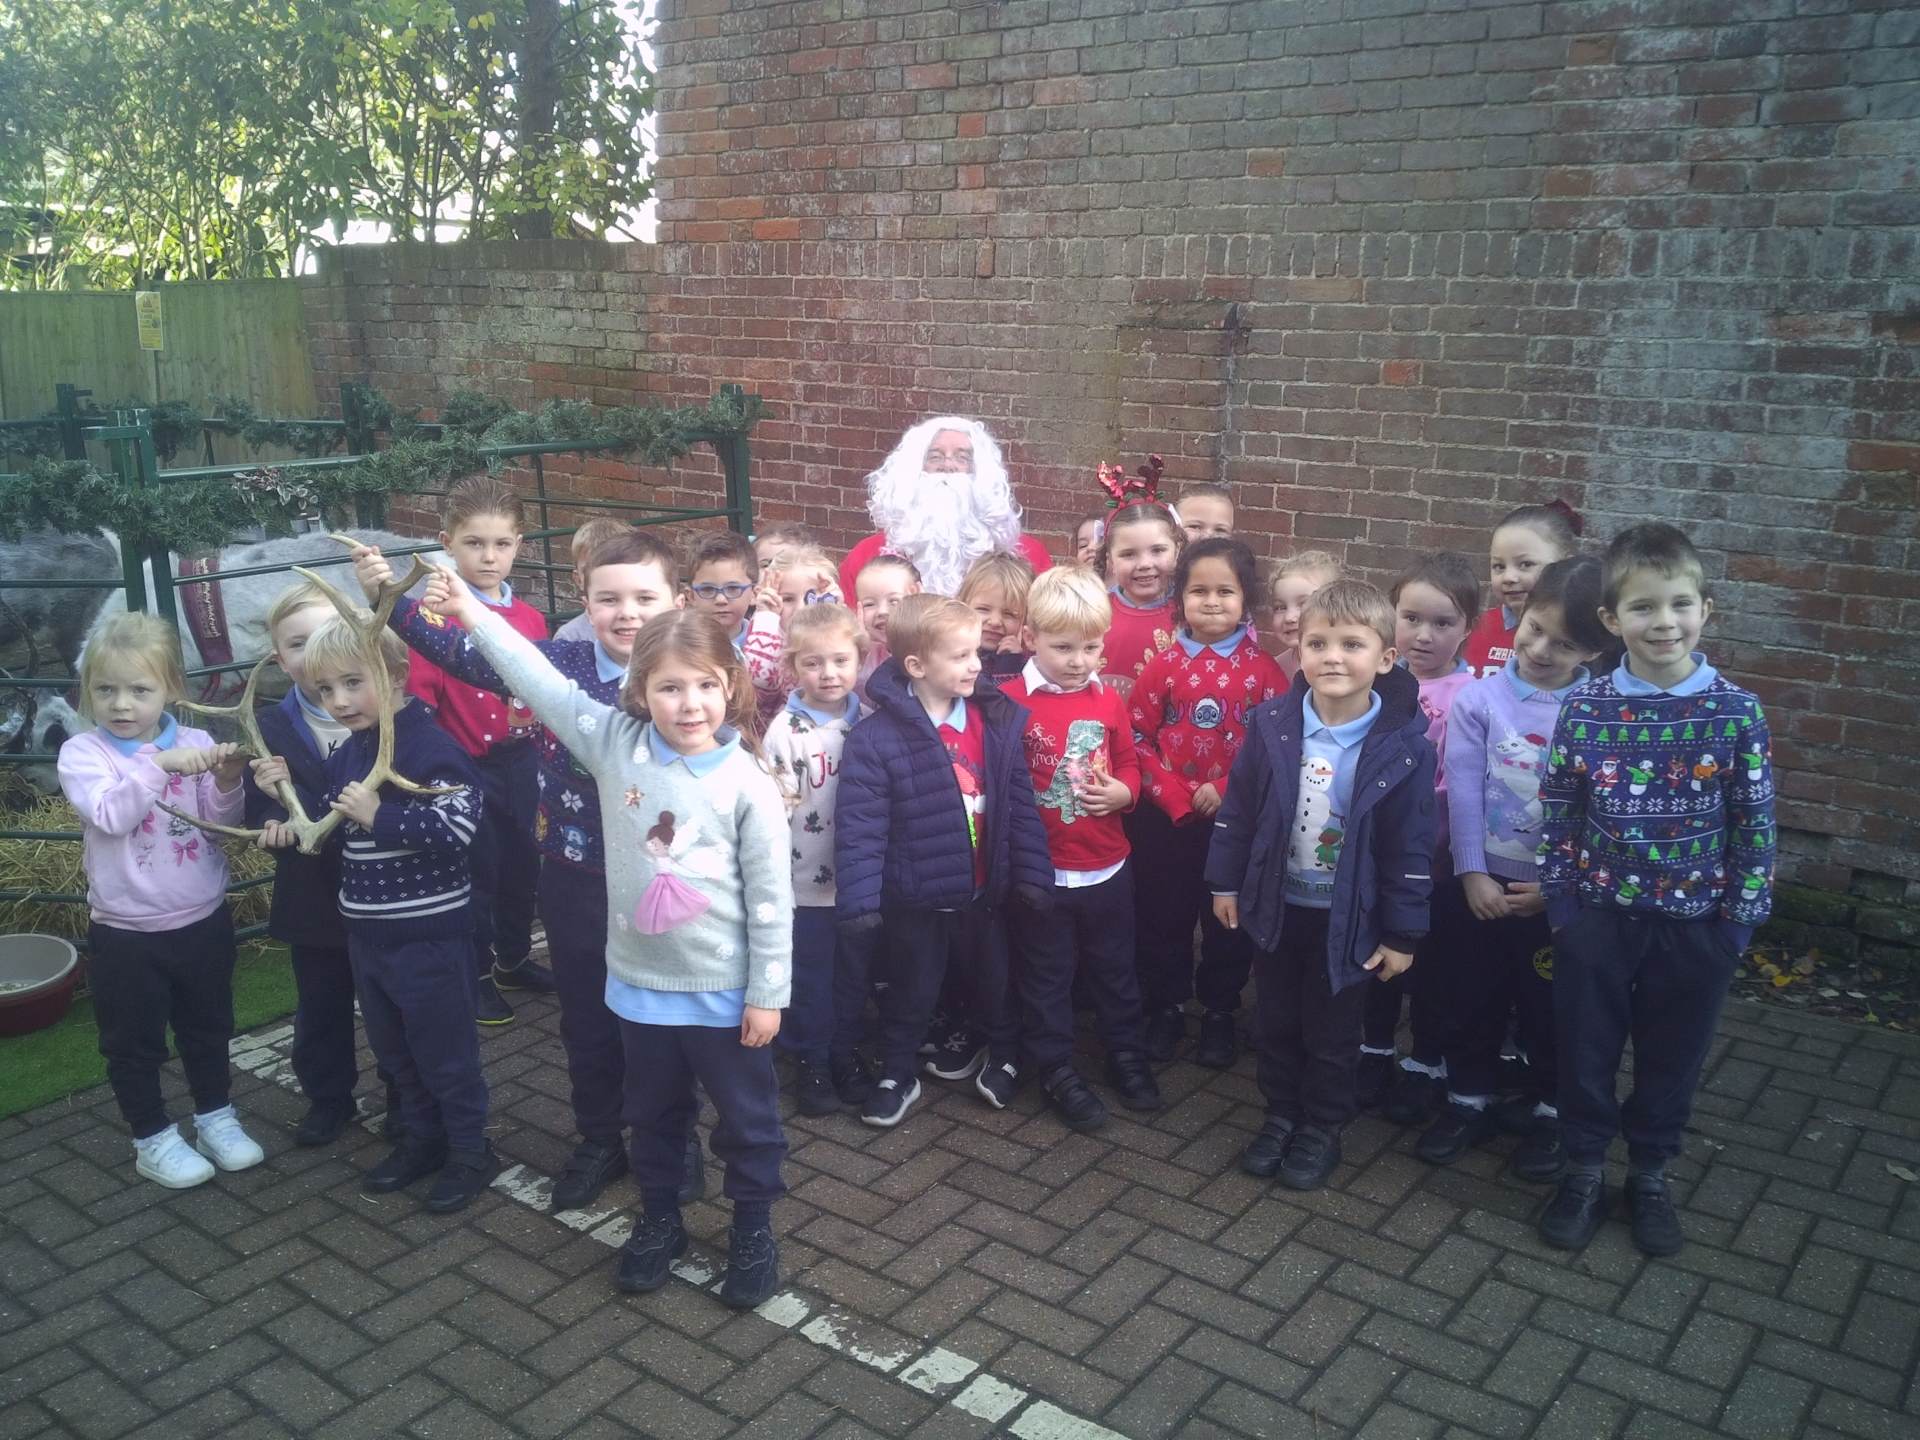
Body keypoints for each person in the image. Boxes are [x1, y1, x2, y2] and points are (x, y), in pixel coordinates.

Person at [445, 585, 795, 1310]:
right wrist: (471, 612)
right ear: (640, 691)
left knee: (747, 1122)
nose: (690, 704)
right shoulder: (612, 744)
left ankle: (753, 1229)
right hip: (641, 989)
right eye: (670, 687)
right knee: (653, 1115)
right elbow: (535, 677)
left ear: (731, 686)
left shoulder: (748, 781)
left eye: (706, 685)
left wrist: (767, 993)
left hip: (727, 995)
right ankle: (660, 1218)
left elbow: (770, 900)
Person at [355, 529, 704, 1214]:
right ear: (584, 600)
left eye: (644, 597)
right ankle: (600, 1138)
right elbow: (466, 653)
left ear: (678, 600)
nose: (627, 613)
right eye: (609, 599)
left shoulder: (692, 676)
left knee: (664, 1017)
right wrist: (389, 600)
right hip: (574, 876)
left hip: (662, 881)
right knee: (588, 1015)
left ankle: (674, 1138)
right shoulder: (558, 661)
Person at [1536, 523, 1774, 1257]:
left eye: (1679, 604)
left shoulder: (1736, 712)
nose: (1663, 622)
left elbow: (1755, 821)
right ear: (1612, 620)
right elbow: (1560, 810)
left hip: (1695, 927)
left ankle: (1648, 1175)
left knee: (1671, 1059)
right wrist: (1564, 906)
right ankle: (1583, 1169)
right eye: (1643, 607)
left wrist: (1736, 925)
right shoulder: (1586, 708)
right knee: (1585, 1051)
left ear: (1706, 610)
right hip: (1599, 920)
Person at [1208, 580, 1436, 1191]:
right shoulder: (1271, 726)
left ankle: (1322, 1127)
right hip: (1278, 907)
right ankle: (1281, 1115)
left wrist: (1403, 933)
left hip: (1350, 919)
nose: (1333, 657)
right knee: (1276, 1022)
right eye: (1318, 643)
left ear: (1386, 658)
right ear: (1300, 652)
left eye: (1352, 644)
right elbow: (1239, 811)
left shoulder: (1404, 749)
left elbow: (1411, 847)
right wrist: (1224, 883)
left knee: (1333, 1033)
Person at [58, 613, 263, 1190]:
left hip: (202, 920)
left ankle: (215, 1116)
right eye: (106, 689)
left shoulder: (197, 743)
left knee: (208, 1027)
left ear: (171, 688)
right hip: (126, 933)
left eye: (139, 689)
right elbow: (111, 816)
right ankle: (151, 1137)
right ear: (88, 690)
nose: (121, 704)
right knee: (133, 1042)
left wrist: (227, 781)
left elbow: (219, 825)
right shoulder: (83, 754)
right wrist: (157, 765)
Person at [1422, 556, 1612, 1177]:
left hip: (1555, 894)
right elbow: (1464, 789)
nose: (1540, 649)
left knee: (1550, 1006)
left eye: (1565, 644)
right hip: (1481, 882)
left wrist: (1558, 888)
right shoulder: (1479, 699)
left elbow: (1598, 812)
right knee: (1470, 994)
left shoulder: (1599, 711)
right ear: (1521, 615)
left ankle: (1552, 1111)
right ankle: (1467, 1098)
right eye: (1534, 629)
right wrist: (1472, 870)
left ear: (1596, 649)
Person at [297, 616, 495, 1212]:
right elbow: (331, 825)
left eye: (353, 683)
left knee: (445, 1054)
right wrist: (292, 816)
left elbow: (459, 826)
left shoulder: (431, 748)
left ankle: (471, 1151)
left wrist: (377, 815)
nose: (339, 701)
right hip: (368, 936)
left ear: (398, 675)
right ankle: (422, 1138)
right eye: (325, 689)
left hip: (428, 937)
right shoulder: (349, 751)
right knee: (395, 1053)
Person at [834, 595, 1054, 1128]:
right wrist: (860, 903)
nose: (976, 665)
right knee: (911, 988)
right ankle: (898, 1071)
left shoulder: (992, 719)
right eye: (960, 656)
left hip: (984, 890)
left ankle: (1004, 1052)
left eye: (976, 653)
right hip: (916, 897)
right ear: (916, 665)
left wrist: (1032, 873)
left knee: (994, 978)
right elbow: (861, 827)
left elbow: (1018, 803)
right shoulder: (875, 739)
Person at [1001, 567, 1160, 1130]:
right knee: (1047, 975)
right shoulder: (1007, 702)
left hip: (1106, 867)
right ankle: (1056, 1068)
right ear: (1030, 638)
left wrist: (1126, 792)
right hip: (1042, 872)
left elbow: (1128, 760)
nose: (1078, 661)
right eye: (1063, 647)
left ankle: (1126, 1054)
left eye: (1091, 647)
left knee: (1115, 968)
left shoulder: (1107, 700)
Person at [1127, 537, 1290, 1067]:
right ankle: (1167, 1005)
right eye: (1199, 591)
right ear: (1180, 598)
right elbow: (1134, 735)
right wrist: (1171, 793)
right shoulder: (1163, 665)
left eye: (1226, 591)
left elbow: (1276, 746)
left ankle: (1220, 1010)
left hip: (1235, 821)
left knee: (1227, 918)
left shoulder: (1265, 672)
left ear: (1246, 599)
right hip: (1167, 820)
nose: (1212, 601)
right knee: (1164, 913)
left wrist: (1225, 789)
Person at [405, 474, 554, 1025]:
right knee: (478, 874)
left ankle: (513, 959)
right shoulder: (431, 617)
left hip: (523, 762)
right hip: (466, 769)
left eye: (501, 543)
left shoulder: (531, 619)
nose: (489, 557)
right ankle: (478, 975)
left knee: (524, 866)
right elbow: (420, 701)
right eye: (474, 543)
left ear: (518, 544)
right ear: (447, 542)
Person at [245, 581, 385, 1147]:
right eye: (297, 644)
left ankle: (407, 1096)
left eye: (327, 633)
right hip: (313, 894)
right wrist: (271, 822)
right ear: (280, 659)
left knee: (391, 1003)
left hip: (383, 889)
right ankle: (329, 1099)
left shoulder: (379, 712)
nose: (313, 651)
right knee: (321, 1004)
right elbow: (260, 807)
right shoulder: (268, 726)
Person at [1366, 552, 1480, 1116]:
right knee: (1378, 957)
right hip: (1380, 859)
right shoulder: (1376, 683)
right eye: (1410, 618)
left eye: (1443, 622)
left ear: (1468, 628)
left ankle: (1426, 1061)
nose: (1423, 635)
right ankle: (1373, 1050)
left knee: (1437, 969)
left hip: (1441, 864)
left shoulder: (1471, 697)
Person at [762, 602, 873, 1115]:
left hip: (860, 881)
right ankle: (811, 1058)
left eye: (840, 660)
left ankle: (844, 1051)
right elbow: (773, 812)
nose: (828, 673)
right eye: (813, 662)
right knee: (810, 975)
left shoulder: (869, 723)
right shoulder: (784, 732)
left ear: (859, 660)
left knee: (853, 973)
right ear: (793, 666)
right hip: (805, 885)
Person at [838, 417, 1054, 599]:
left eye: (963, 458)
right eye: (935, 457)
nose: (948, 466)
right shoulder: (867, 556)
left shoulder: (1027, 555)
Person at [1463, 501, 1582, 678]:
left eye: (1526, 564)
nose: (1509, 577)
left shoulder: (1579, 637)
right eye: (1499, 566)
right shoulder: (1473, 628)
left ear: (1565, 563)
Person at [686, 529, 784, 726]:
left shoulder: (767, 642)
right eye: (707, 589)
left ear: (754, 594)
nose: (721, 599)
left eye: (733, 588)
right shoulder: (682, 644)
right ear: (691, 596)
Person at [1098, 500, 1183, 701]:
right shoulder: (1093, 610)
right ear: (1110, 560)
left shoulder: (1188, 615)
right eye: (1128, 554)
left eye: (1158, 550)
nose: (1144, 564)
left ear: (1177, 551)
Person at [851, 553, 921, 699]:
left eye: (894, 601)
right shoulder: (859, 655)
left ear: (916, 595)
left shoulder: (931, 647)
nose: (882, 611)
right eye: (869, 604)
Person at [959, 550, 1034, 680]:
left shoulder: (1027, 667)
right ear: (962, 605)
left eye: (1009, 614)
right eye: (983, 609)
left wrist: (1011, 662)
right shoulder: (947, 655)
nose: (995, 621)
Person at [553, 518, 630, 644]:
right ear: (578, 579)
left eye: (615, 568)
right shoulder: (570, 637)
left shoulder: (648, 624)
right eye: (589, 570)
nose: (605, 578)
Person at [1266, 551, 1341, 678]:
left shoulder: (1350, 664)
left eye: (1304, 604)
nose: (1289, 617)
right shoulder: (1276, 669)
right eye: (1280, 607)